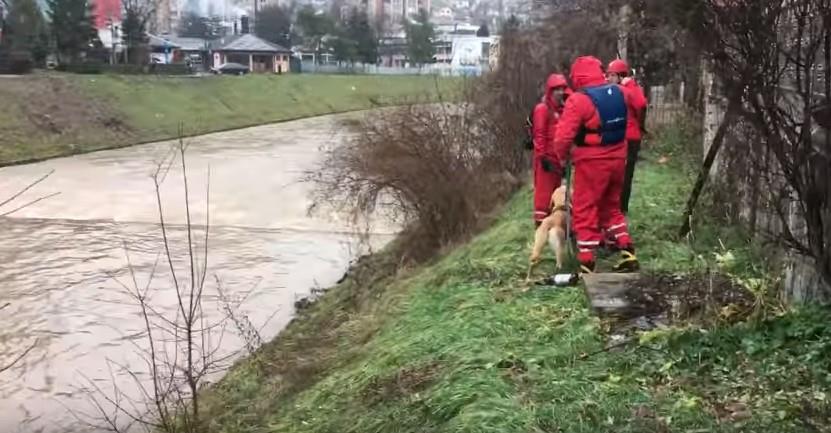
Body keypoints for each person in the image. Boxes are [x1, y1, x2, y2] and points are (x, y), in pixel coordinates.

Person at [553, 56, 639, 274]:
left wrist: (562, 157)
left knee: (585, 209)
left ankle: (587, 260)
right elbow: (638, 104)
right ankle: (627, 250)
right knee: (611, 207)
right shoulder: (620, 92)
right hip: (619, 158)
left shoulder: (579, 100)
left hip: (592, 163)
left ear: (578, 77)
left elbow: (563, 137)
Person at [606, 58, 648, 214]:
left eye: (611, 75)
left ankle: (621, 208)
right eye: (608, 75)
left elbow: (641, 104)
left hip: (629, 137)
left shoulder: (630, 87)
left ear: (620, 76)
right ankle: (615, 207)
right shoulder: (617, 88)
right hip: (620, 136)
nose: (608, 78)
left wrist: (638, 124)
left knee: (625, 175)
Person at [532, 73, 570, 226]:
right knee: (543, 193)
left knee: (556, 192)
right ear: (550, 91)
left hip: (558, 159)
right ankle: (540, 224)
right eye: (556, 89)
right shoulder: (542, 109)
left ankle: (552, 222)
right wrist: (542, 157)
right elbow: (539, 134)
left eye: (562, 89)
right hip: (546, 159)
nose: (560, 92)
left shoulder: (562, 110)